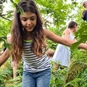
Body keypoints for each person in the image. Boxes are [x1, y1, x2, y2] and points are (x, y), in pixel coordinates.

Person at [0, 0, 87, 87]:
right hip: (28, 72)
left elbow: (65, 41)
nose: (29, 23)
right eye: (24, 19)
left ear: (37, 18)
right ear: (19, 20)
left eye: (32, 18)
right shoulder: (16, 38)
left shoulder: (43, 33)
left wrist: (84, 46)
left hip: (43, 71)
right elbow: (5, 55)